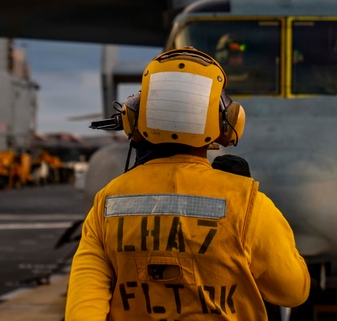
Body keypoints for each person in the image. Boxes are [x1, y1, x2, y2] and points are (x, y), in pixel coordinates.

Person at [66, 48, 310, 321]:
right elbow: (293, 291)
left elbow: (83, 311)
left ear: (133, 118)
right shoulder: (247, 203)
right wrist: (240, 198)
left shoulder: (107, 204)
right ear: (226, 124)